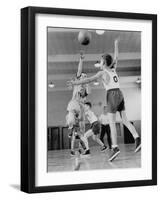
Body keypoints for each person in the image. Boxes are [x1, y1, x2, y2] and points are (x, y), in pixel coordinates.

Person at [68, 38, 141, 161]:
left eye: (101, 61)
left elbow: (88, 80)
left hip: (112, 94)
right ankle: (137, 139)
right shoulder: (113, 68)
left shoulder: (102, 73)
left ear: (104, 63)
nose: (99, 62)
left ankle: (115, 148)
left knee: (112, 123)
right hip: (120, 93)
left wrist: (76, 82)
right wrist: (116, 44)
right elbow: (116, 57)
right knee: (125, 120)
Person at [66, 52, 90, 156]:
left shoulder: (85, 90)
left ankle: (81, 148)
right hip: (73, 105)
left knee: (82, 130)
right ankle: (70, 128)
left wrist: (87, 83)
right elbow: (79, 70)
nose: (82, 78)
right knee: (71, 119)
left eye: (85, 77)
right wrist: (81, 59)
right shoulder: (77, 84)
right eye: (81, 77)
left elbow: (85, 97)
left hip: (81, 109)